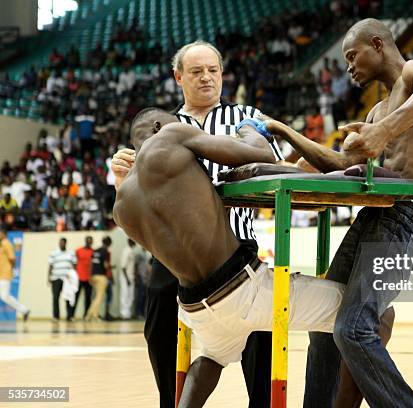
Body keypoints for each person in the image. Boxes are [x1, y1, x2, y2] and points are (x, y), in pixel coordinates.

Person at [263, 18, 413, 408]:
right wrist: (286, 132)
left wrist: (385, 130)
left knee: (352, 328)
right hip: (374, 215)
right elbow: (339, 160)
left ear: (379, 44)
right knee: (323, 327)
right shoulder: (375, 112)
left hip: (410, 215)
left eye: (353, 56)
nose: (348, 66)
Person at [113, 108, 345, 407]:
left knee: (212, 358)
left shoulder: (121, 206)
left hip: (195, 307)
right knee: (370, 315)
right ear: (159, 127)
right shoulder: (169, 136)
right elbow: (259, 153)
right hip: (242, 288)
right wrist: (249, 129)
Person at [111, 41, 283, 408]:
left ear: (222, 74)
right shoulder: (159, 128)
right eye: (196, 71)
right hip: (177, 253)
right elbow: (134, 200)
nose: (207, 78)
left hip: (237, 242)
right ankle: (168, 401)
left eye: (213, 70)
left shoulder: (247, 115)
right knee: (158, 320)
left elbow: (276, 163)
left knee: (260, 328)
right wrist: (120, 177)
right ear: (178, 77)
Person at [0, 229, 29, 320]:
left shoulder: (6, 243)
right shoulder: (1, 244)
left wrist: (10, 269)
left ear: (3, 233)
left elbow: (12, 258)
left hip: (5, 274)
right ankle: (24, 310)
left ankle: (24, 310)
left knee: (4, 296)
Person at [48, 237, 76, 321]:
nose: (61, 244)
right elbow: (50, 266)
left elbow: (74, 265)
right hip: (56, 278)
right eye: (60, 242)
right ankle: (56, 316)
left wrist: (73, 277)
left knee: (68, 297)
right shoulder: (53, 253)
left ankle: (69, 316)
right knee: (55, 297)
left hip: (67, 280)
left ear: (65, 243)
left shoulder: (71, 253)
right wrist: (49, 277)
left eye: (63, 243)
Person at [85, 236, 112, 321]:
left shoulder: (95, 251)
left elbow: (91, 264)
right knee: (99, 297)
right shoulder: (105, 252)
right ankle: (95, 315)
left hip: (93, 275)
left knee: (96, 297)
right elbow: (105, 265)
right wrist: (111, 267)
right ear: (109, 244)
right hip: (101, 276)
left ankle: (88, 315)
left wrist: (90, 276)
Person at [74, 236, 94, 318]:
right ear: (85, 241)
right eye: (88, 241)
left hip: (88, 278)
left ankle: (86, 315)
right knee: (75, 297)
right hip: (79, 277)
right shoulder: (78, 250)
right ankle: (71, 315)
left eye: (91, 241)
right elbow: (74, 263)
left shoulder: (93, 252)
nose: (89, 242)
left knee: (88, 298)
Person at [120, 239, 136, 319]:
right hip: (126, 277)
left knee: (130, 296)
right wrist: (127, 279)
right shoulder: (126, 251)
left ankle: (127, 314)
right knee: (125, 295)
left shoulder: (131, 251)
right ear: (130, 242)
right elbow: (123, 267)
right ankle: (124, 314)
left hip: (131, 277)